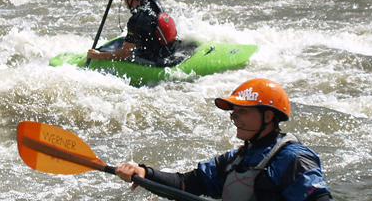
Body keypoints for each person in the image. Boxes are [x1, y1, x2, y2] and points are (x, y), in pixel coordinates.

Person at [113, 78, 333, 201]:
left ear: (268, 116)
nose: (234, 116)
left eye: (243, 111)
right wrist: (143, 173)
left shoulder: (294, 160)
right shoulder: (236, 159)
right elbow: (185, 184)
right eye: (234, 111)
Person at [86, 0, 176, 66]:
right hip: (168, 50)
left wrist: (99, 55)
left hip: (154, 59)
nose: (124, 1)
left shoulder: (136, 20)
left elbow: (126, 54)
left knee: (122, 48)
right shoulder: (154, 3)